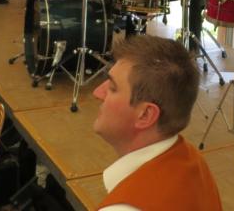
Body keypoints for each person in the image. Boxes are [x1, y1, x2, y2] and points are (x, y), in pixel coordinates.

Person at [92, 36, 222, 211]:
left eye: (113, 88)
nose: (97, 92)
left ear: (145, 115)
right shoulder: (194, 163)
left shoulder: (122, 208)